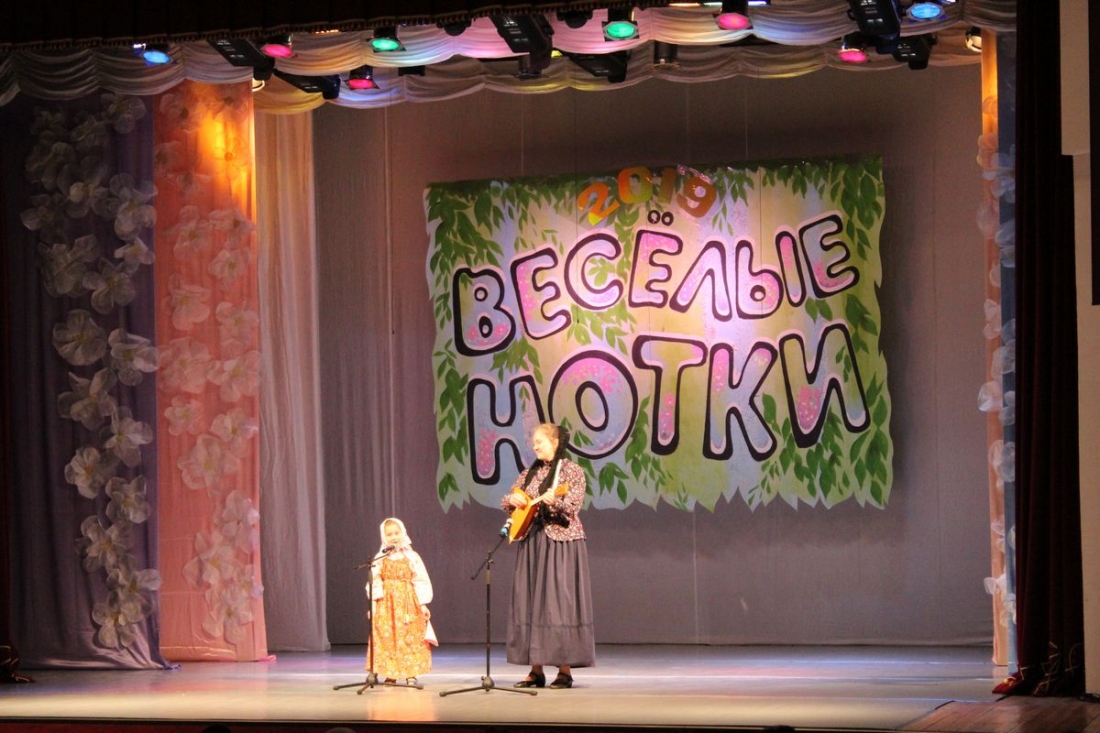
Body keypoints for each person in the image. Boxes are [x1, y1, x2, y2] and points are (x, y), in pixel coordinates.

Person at [500, 423, 595, 689]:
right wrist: (512, 501)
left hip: (561, 542)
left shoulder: (572, 471)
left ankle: (564, 670)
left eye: (540, 441)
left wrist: (555, 501)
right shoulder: (529, 473)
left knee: (558, 603)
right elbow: (509, 500)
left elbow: (573, 507)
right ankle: (536, 670)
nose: (535, 446)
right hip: (533, 540)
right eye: (534, 442)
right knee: (531, 600)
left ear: (555, 443)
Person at [366, 517, 437, 683]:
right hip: (386, 604)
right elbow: (375, 581)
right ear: (384, 536)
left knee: (409, 636)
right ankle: (390, 673)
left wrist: (423, 604)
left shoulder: (412, 556)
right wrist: (373, 605)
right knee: (387, 637)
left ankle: (410, 673)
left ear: (403, 533)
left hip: (408, 603)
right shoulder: (380, 558)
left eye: (396, 533)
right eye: (389, 534)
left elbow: (420, 579)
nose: (394, 537)